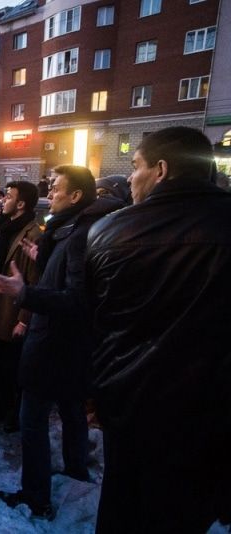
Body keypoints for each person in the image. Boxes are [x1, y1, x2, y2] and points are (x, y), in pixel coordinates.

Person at [86, 126, 231, 532]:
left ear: (161, 170)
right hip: (212, 416)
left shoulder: (110, 233)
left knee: (123, 507)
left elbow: (97, 324)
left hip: (133, 406)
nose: (130, 178)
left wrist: (95, 393)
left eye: (135, 166)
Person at [0, 165, 121, 519]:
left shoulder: (79, 233)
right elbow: (68, 279)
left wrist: (24, 293)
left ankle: (36, 496)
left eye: (57, 188)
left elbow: (77, 299)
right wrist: (43, 258)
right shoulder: (73, 229)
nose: (51, 193)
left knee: (31, 417)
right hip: (71, 347)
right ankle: (75, 472)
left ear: (76, 196)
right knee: (72, 409)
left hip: (53, 346)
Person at [0, 181, 41, 432]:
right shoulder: (6, 227)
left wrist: (23, 320)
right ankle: (1, 405)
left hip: (14, 312)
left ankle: (14, 413)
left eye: (8, 196)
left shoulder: (33, 234)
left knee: (14, 366)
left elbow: (34, 283)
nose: (2, 200)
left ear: (21, 204)